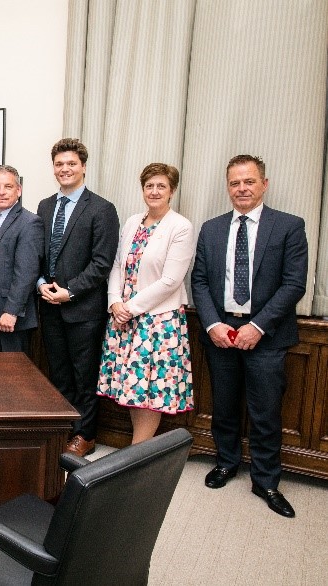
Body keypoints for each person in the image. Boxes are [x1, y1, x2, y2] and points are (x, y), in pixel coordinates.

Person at [191, 155, 307, 518]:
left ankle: (267, 480)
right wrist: (212, 325)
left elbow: (294, 284)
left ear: (264, 184)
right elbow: (200, 281)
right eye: (234, 183)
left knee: (265, 411)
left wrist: (257, 327)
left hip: (266, 336)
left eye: (249, 182)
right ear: (227, 187)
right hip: (222, 332)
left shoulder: (288, 226)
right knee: (223, 406)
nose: (241, 189)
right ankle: (226, 463)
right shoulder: (211, 228)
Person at [97, 163, 195, 444]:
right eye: (149, 186)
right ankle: (137, 448)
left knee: (151, 390)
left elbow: (171, 280)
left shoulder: (180, 227)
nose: (154, 191)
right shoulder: (132, 222)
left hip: (157, 322)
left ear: (171, 191)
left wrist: (129, 308)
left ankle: (137, 451)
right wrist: (115, 301)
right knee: (133, 387)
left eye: (161, 186)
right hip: (124, 318)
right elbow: (117, 265)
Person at [37, 138, 119, 457]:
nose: (65, 169)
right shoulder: (45, 206)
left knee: (84, 374)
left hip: (82, 309)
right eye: (59, 164)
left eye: (71, 163)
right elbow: (40, 254)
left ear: (83, 167)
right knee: (58, 373)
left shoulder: (102, 209)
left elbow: (102, 262)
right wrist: (42, 283)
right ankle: (65, 430)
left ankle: (85, 434)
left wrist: (69, 292)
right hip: (48, 304)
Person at [0, 165, 44, 353]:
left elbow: (26, 273)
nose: (1, 192)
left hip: (11, 317)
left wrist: (11, 311)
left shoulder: (29, 222)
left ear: (18, 190)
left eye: (8, 186)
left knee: (14, 379)